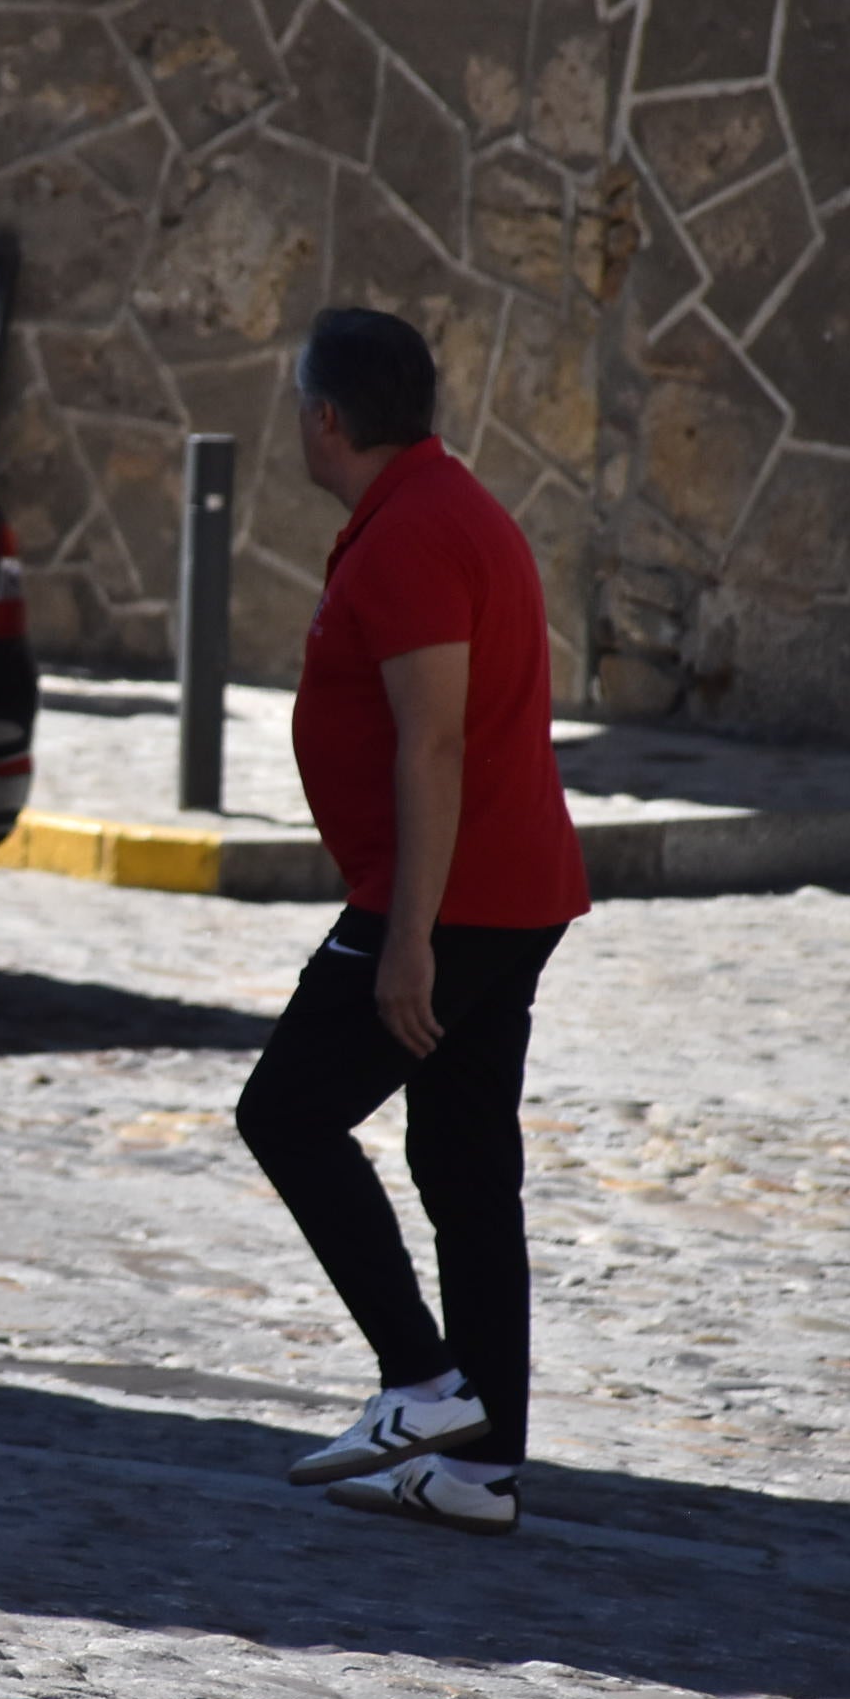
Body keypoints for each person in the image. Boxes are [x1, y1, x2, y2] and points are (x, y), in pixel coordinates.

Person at [232, 307, 590, 1538]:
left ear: (326, 418)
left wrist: (406, 934)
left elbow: (431, 741)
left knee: (282, 1110)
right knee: (464, 1164)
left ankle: (423, 1378)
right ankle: (480, 1464)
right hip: (505, 887)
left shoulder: (413, 538)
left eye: (296, 405)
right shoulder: (439, 508)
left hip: (454, 898)